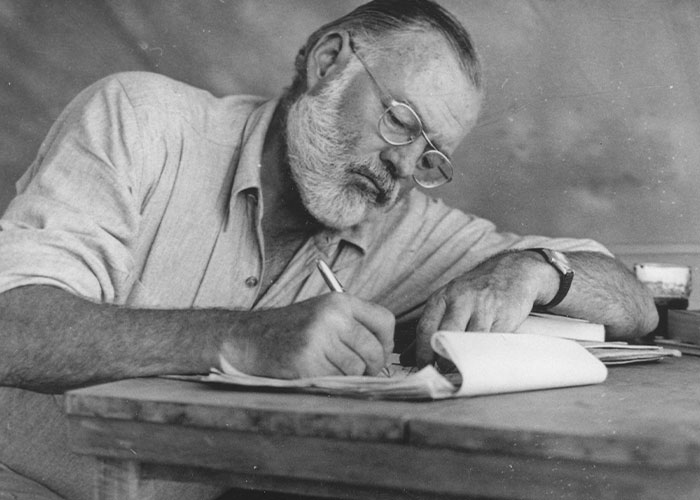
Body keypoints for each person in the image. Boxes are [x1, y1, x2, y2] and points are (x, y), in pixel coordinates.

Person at [0, 0, 657, 499]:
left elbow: (636, 305)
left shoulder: (404, 225)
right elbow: (12, 329)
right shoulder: (142, 119)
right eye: (400, 122)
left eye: (430, 157)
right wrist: (243, 340)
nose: (401, 167)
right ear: (328, 62)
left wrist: (533, 269)